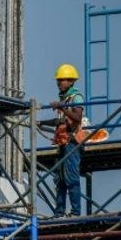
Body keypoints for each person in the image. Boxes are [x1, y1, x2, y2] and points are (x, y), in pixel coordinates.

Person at [39, 64, 85, 217]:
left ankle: (75, 212)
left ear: (71, 81)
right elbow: (60, 121)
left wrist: (63, 107)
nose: (59, 83)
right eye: (58, 80)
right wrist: (42, 123)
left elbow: (77, 117)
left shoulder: (75, 97)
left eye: (62, 80)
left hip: (72, 143)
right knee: (60, 180)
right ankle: (59, 212)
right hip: (62, 143)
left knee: (71, 177)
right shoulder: (64, 99)